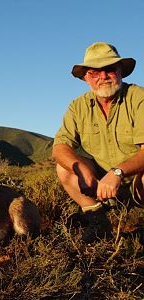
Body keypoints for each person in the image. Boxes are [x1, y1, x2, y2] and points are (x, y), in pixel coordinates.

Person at [52, 42, 144, 243]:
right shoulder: (78, 107)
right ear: (86, 78)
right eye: (95, 72)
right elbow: (60, 147)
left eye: (110, 69)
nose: (103, 77)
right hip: (101, 183)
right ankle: (97, 221)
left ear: (120, 71)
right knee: (65, 166)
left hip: (136, 180)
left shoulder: (138, 98)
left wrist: (117, 172)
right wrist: (81, 170)